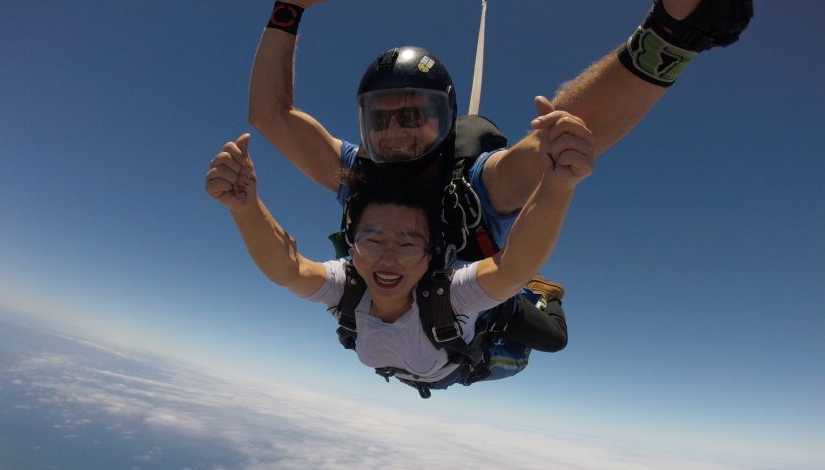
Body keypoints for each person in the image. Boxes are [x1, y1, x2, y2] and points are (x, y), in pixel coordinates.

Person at [246, 0, 752, 351]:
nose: (396, 134)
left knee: (549, 338)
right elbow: (271, 118)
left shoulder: (477, 187)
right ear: (363, 122)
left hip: (476, 317)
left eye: (412, 115)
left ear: (444, 119)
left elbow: (558, 137)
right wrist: (287, 10)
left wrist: (671, 33)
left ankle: (542, 292)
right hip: (407, 322)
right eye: (381, 118)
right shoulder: (356, 173)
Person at [205, 103, 595, 396]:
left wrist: (557, 187)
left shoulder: (452, 294)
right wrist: (244, 206)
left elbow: (512, 267)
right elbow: (287, 268)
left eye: (408, 243)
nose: (388, 257)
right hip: (429, 369)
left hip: (467, 357)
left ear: (431, 256)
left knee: (551, 340)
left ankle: (544, 294)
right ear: (352, 246)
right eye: (373, 240)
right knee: (508, 287)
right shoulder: (349, 285)